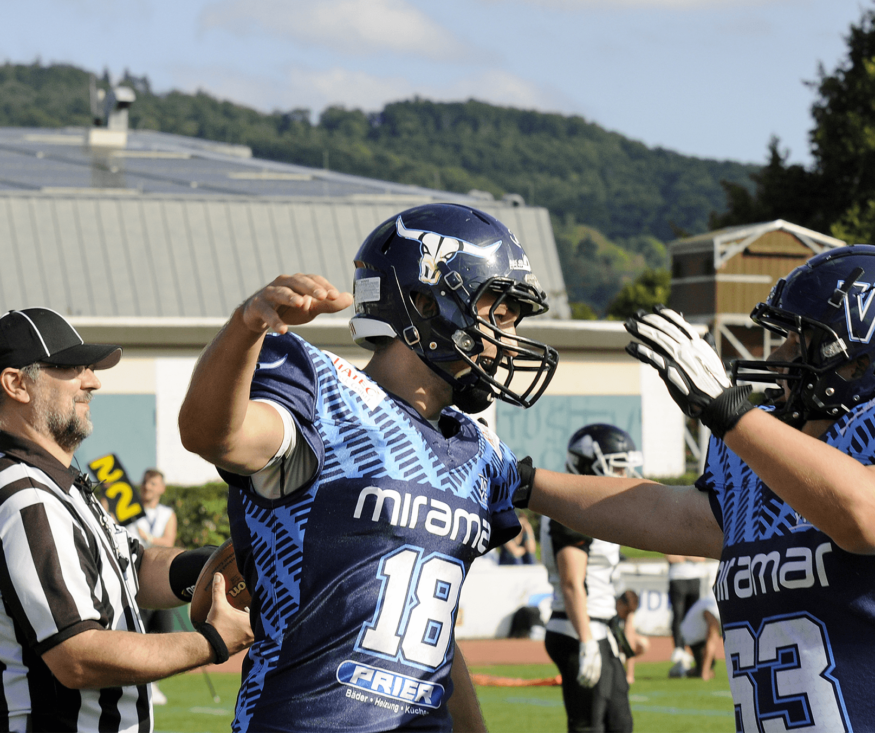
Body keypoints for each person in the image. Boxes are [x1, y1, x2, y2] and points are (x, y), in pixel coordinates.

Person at [515, 245, 875, 731]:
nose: (778, 358)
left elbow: (869, 517)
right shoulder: (763, 463)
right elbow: (666, 512)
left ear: (864, 361)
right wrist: (522, 483)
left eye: (798, 341)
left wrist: (729, 412)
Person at [178, 203, 559, 732]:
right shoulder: (322, 392)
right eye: (497, 310)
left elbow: (433, 634)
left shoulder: (480, 450)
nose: (510, 336)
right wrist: (247, 328)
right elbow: (210, 434)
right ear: (425, 302)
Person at [0, 307, 253, 732]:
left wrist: (226, 565)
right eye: (70, 367)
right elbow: (76, 655)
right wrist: (212, 641)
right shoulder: (24, 497)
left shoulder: (60, 485)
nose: (93, 381)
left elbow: (134, 566)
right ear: (15, 384)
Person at [541, 423, 642, 733]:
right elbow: (572, 580)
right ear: (588, 463)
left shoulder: (593, 507)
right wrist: (586, 641)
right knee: (589, 727)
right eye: (617, 466)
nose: (623, 475)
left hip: (601, 628)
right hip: (578, 629)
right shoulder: (574, 504)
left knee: (620, 725)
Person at [125, 468, 180, 705]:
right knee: (138, 631)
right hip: (133, 579)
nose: (148, 487)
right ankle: (139, 682)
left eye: (153, 483)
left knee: (162, 631)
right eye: (146, 482)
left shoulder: (167, 513)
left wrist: (149, 538)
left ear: (161, 488)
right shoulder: (127, 510)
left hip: (160, 578)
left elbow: (168, 542)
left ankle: (153, 683)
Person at [664, 553, 704, 677]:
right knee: (678, 615)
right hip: (677, 578)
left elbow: (701, 558)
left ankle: (697, 655)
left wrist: (683, 556)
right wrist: (690, 556)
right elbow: (671, 557)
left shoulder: (696, 536)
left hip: (694, 579)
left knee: (693, 618)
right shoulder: (672, 534)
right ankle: (680, 649)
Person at [676, 595, 720, 681]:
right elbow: (712, 639)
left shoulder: (712, 604)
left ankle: (695, 669)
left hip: (694, 632)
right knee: (706, 665)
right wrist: (705, 672)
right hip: (693, 636)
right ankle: (681, 670)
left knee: (711, 664)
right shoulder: (712, 609)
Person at [610, 590, 647, 685]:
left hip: (616, 642)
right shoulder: (608, 608)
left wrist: (629, 676)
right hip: (604, 640)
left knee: (643, 643)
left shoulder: (628, 615)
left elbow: (630, 644)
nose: (627, 615)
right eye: (626, 611)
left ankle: (619, 663)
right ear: (619, 603)